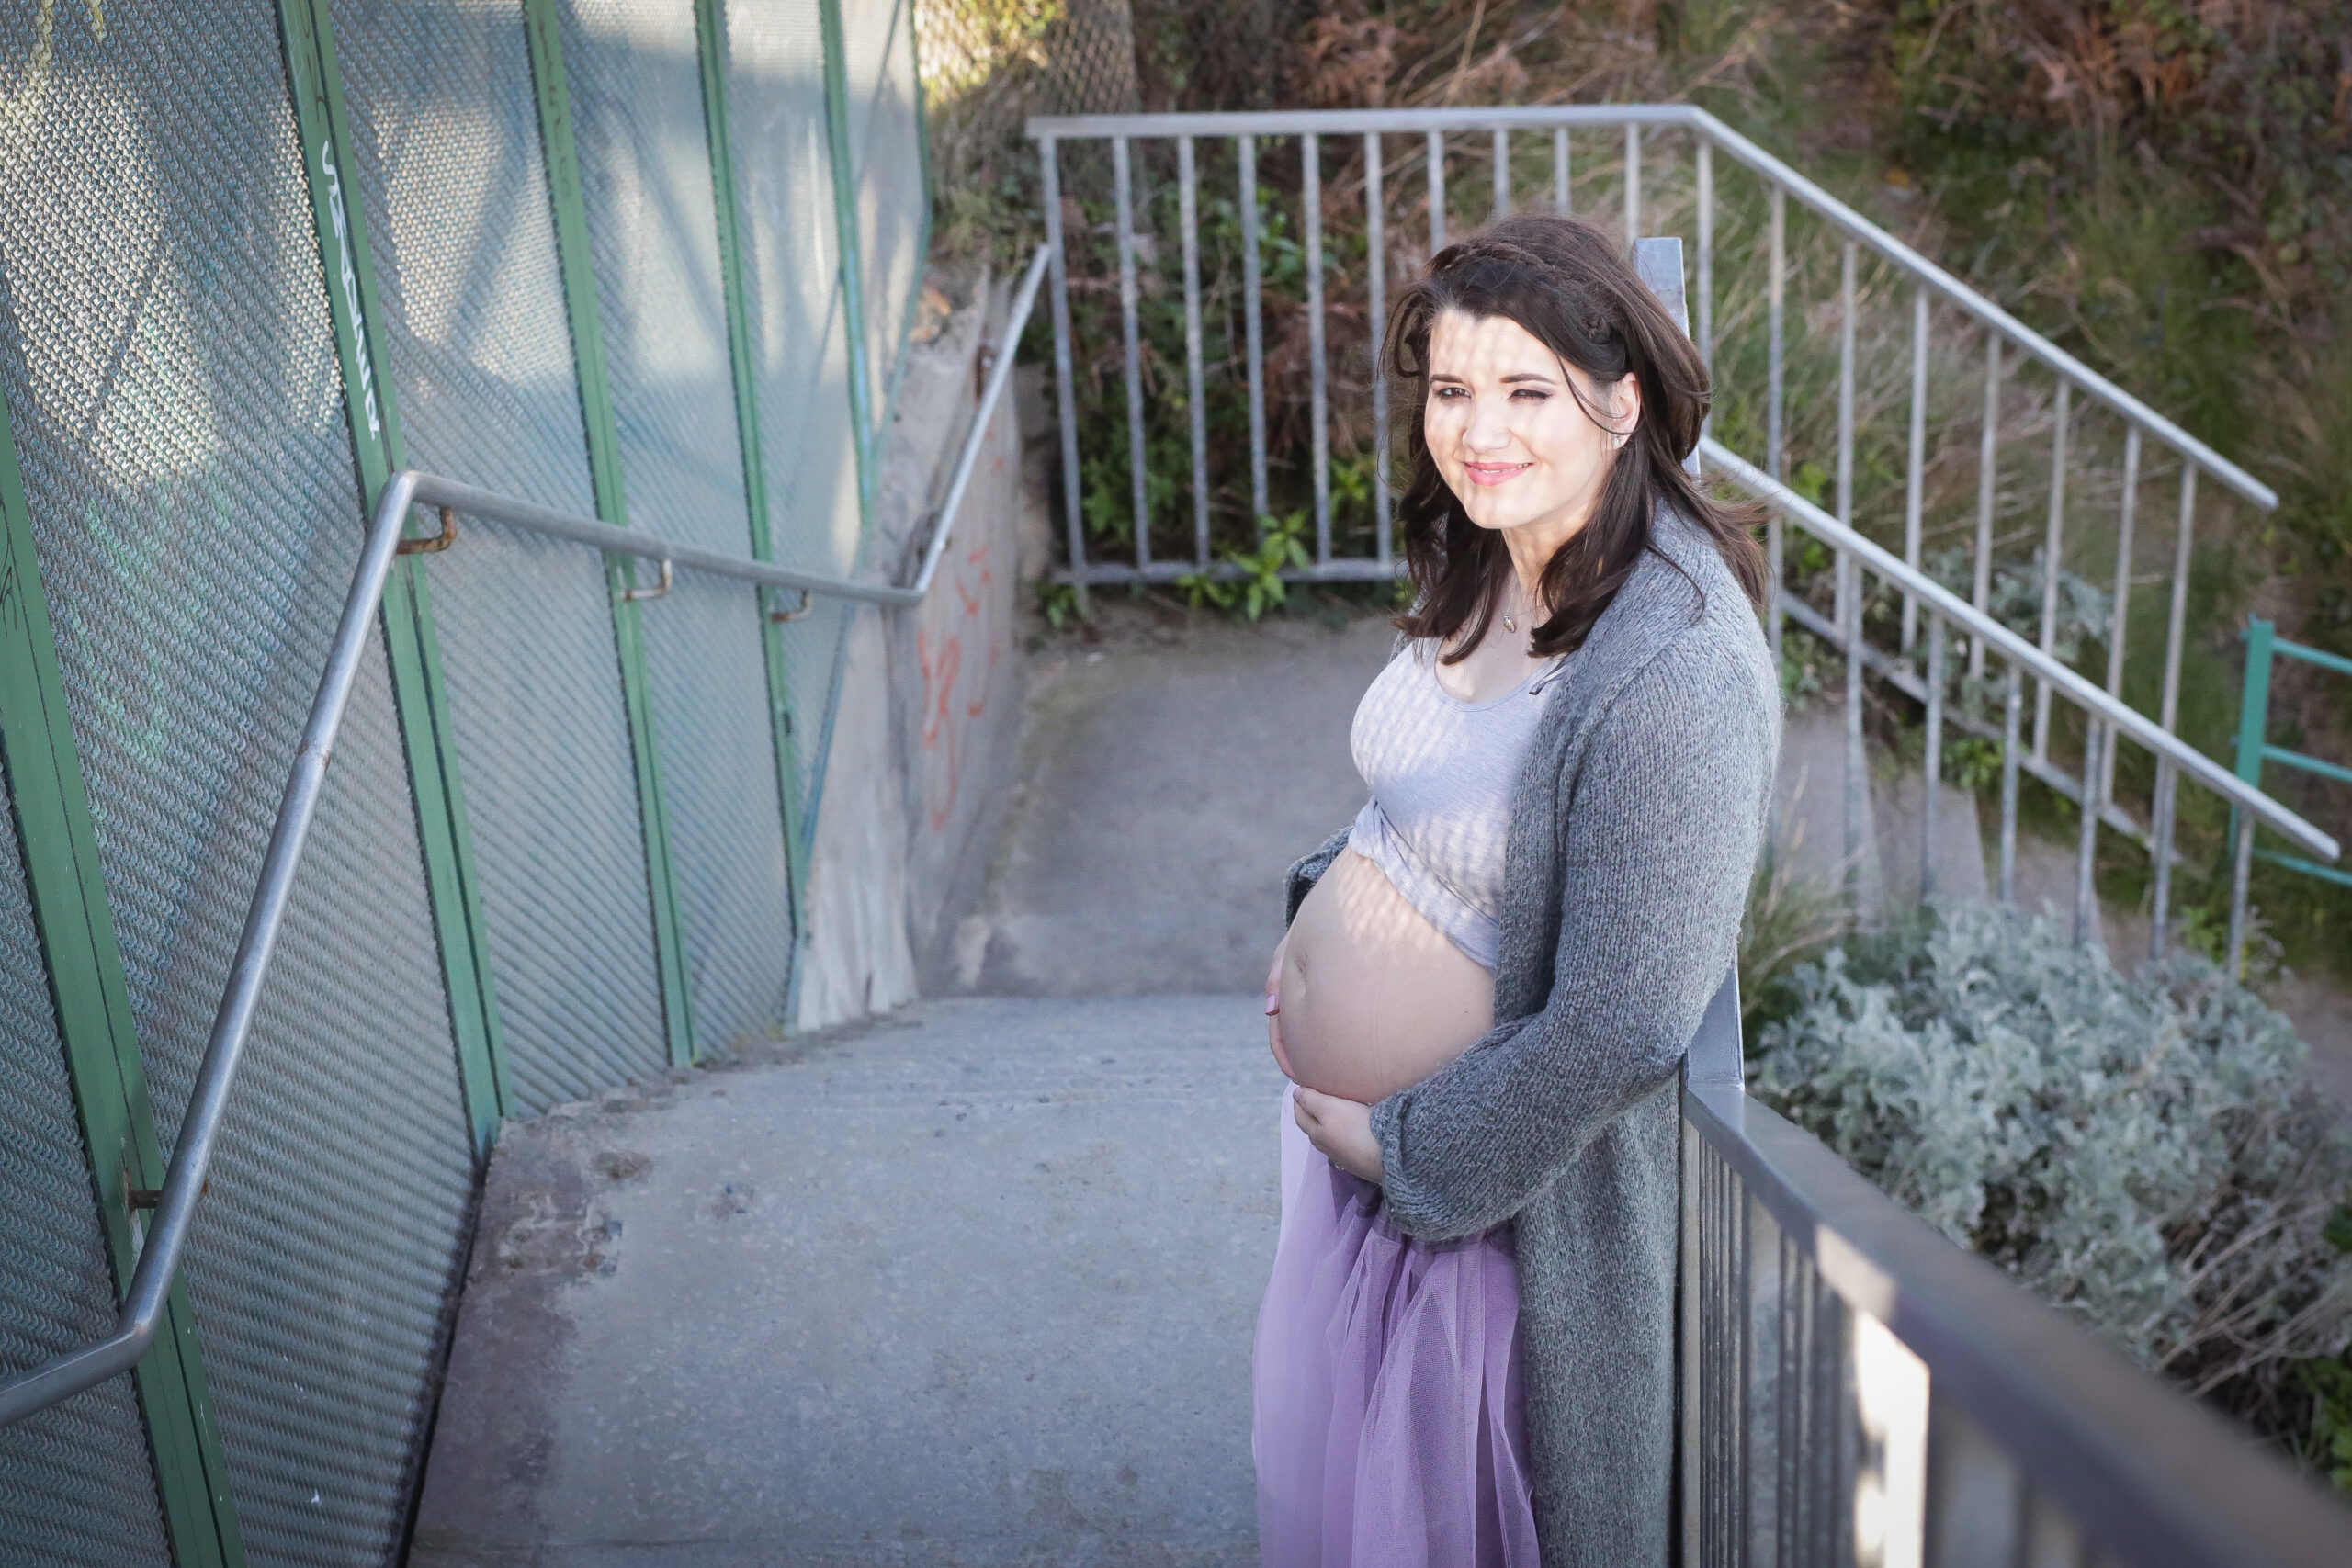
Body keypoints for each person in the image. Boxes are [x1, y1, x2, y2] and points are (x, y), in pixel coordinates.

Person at [1254, 213, 1781, 1568]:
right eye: (1450, 389)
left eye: (1525, 391)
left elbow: (1626, 1020)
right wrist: (1328, 909)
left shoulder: (1678, 672)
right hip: (1388, 1187)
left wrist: (1413, 1148)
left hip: (1492, 1233)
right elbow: (1426, 791)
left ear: (1623, 401)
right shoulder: (1509, 539)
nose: (1476, 430)